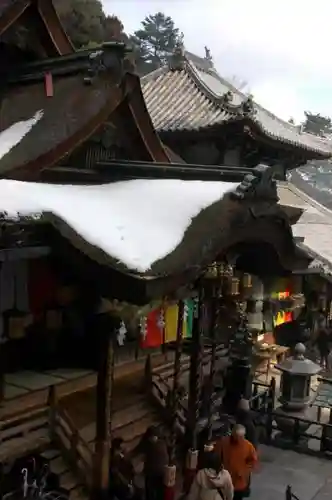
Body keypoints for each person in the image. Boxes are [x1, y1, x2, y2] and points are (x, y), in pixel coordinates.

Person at [214, 424, 257, 500]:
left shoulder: (248, 446)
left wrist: (244, 471)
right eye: (237, 436)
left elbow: (252, 461)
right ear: (233, 434)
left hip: (239, 481)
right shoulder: (223, 443)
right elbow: (216, 457)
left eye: (241, 436)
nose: (239, 439)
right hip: (225, 478)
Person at [134, 426, 168, 500]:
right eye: (152, 436)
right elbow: (137, 451)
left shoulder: (160, 443)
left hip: (159, 472)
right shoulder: (149, 443)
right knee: (152, 493)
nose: (153, 438)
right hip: (153, 472)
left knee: (157, 492)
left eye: (155, 436)